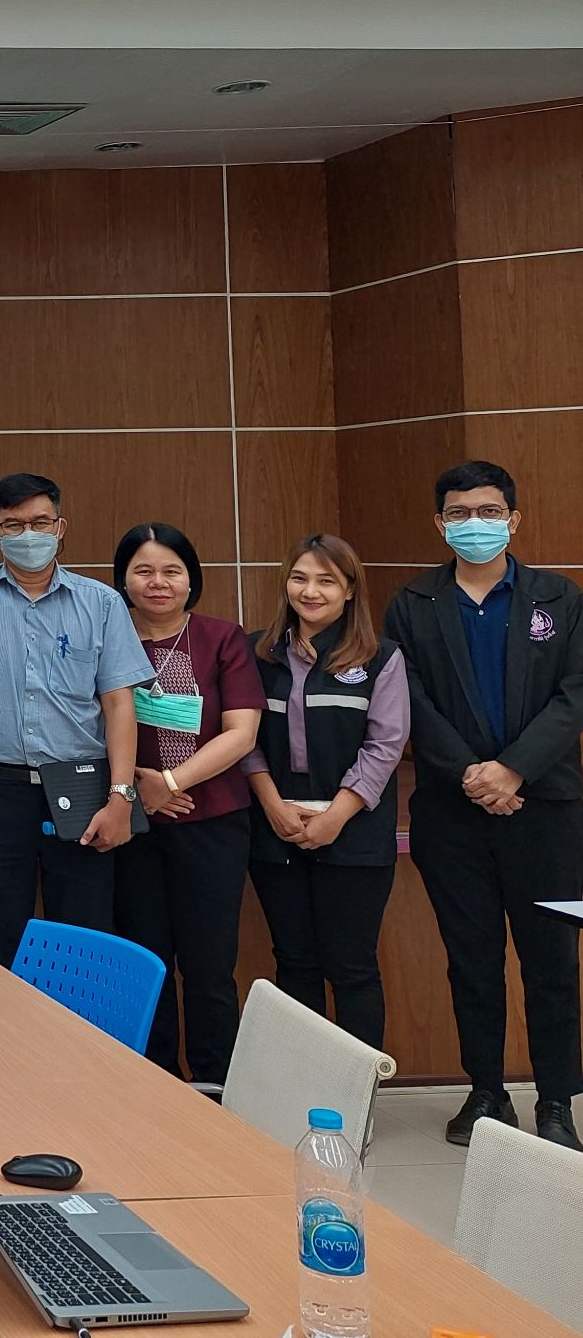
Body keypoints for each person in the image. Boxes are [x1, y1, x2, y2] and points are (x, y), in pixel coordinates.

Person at [382, 462, 583, 1151]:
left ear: (513, 519)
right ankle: (487, 1093)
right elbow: (408, 697)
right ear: (440, 523)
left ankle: (556, 1101)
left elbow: (575, 695)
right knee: (472, 960)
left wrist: (513, 768)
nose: (476, 523)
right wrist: (471, 773)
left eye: (490, 511)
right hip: (452, 811)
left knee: (552, 962)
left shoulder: (560, 597)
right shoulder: (413, 602)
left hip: (547, 809)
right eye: (460, 512)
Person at [0, 474, 152, 970]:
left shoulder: (101, 602)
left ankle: (77, 1028)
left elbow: (119, 705)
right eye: (14, 525)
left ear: (60, 527)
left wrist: (121, 798)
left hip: (83, 790)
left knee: (84, 945)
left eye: (40, 522)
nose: (28, 534)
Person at [107, 523, 265, 1082]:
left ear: (191, 579)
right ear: (123, 580)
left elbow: (242, 733)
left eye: (171, 570)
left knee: (209, 964)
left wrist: (169, 783)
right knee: (143, 960)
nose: (158, 582)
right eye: (144, 571)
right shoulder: (108, 638)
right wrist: (138, 790)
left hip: (212, 823)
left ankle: (215, 1085)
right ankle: (154, 1083)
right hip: (131, 824)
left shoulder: (223, 638)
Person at [246, 534, 409, 1053]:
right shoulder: (257, 653)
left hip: (354, 832)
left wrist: (336, 816)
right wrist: (272, 805)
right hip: (277, 827)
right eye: (299, 578)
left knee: (352, 967)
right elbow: (244, 740)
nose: (310, 591)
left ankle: (357, 1093)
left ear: (350, 589)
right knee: (294, 962)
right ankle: (304, 1088)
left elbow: (385, 746)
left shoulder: (381, 658)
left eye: (326, 581)